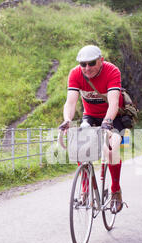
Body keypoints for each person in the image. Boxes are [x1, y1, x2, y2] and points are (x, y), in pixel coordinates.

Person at [58, 45, 125, 214]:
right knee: (82, 147)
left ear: (101, 60)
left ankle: (116, 190)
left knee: (112, 149)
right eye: (83, 64)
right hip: (90, 115)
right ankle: (85, 189)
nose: (87, 68)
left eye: (91, 63)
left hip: (112, 116)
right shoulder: (75, 73)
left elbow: (114, 103)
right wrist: (67, 119)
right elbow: (71, 102)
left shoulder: (112, 71)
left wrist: (108, 122)